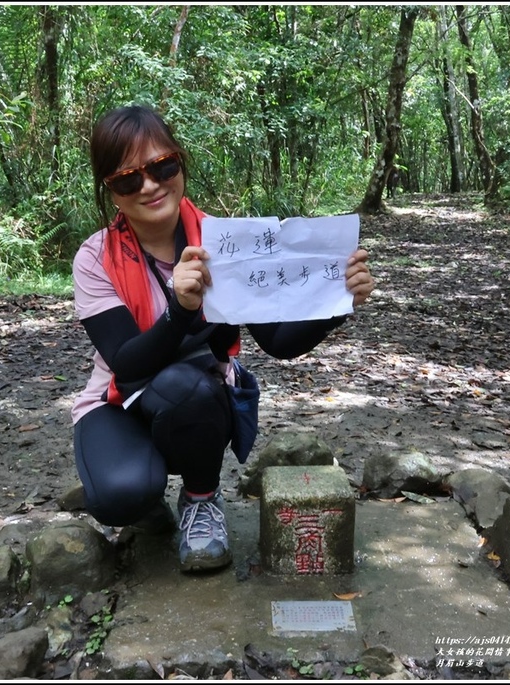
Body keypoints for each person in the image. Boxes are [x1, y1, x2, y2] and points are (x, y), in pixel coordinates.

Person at [71, 104, 375, 573]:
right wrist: (180, 310)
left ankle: (199, 500)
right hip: (117, 400)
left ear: (180, 163)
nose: (150, 185)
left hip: (196, 398)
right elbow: (126, 362)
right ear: (112, 192)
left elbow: (278, 341)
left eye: (161, 166)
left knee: (184, 386)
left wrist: (339, 301)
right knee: (120, 495)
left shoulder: (225, 245)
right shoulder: (96, 258)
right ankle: (145, 495)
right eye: (128, 179)